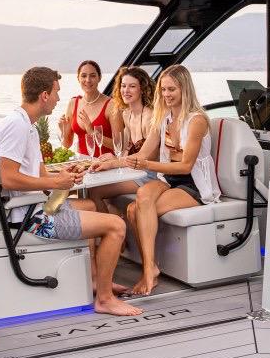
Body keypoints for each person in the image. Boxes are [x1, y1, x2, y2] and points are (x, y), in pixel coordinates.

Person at [0, 67, 141, 317]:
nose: (59, 98)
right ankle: (105, 299)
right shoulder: (18, 127)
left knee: (90, 205)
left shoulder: (27, 125)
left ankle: (94, 280)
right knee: (116, 225)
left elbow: (39, 176)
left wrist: (62, 178)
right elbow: (8, 178)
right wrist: (57, 184)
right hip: (31, 217)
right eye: (56, 92)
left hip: (34, 206)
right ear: (44, 95)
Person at [102, 65, 221, 296]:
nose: (166, 94)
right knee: (139, 200)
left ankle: (149, 271)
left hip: (193, 184)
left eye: (171, 89)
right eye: (163, 90)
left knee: (135, 210)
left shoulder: (196, 120)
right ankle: (151, 267)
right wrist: (111, 163)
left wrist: (147, 165)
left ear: (184, 89)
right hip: (169, 179)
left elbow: (185, 166)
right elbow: (141, 155)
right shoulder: (164, 118)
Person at [86, 67, 157, 213]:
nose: (126, 90)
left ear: (142, 89)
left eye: (132, 86)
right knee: (93, 185)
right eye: (123, 86)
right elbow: (126, 150)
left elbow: (148, 157)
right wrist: (114, 158)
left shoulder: (150, 116)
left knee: (95, 191)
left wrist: (113, 163)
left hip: (149, 175)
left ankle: (112, 225)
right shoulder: (127, 114)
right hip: (131, 170)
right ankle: (114, 222)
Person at [58, 60, 123, 158]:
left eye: (92, 76)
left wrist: (92, 132)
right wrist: (64, 130)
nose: (88, 80)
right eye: (83, 76)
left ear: (99, 78)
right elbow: (67, 144)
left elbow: (119, 146)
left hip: (106, 164)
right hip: (81, 164)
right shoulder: (73, 103)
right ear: (78, 78)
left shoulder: (111, 105)